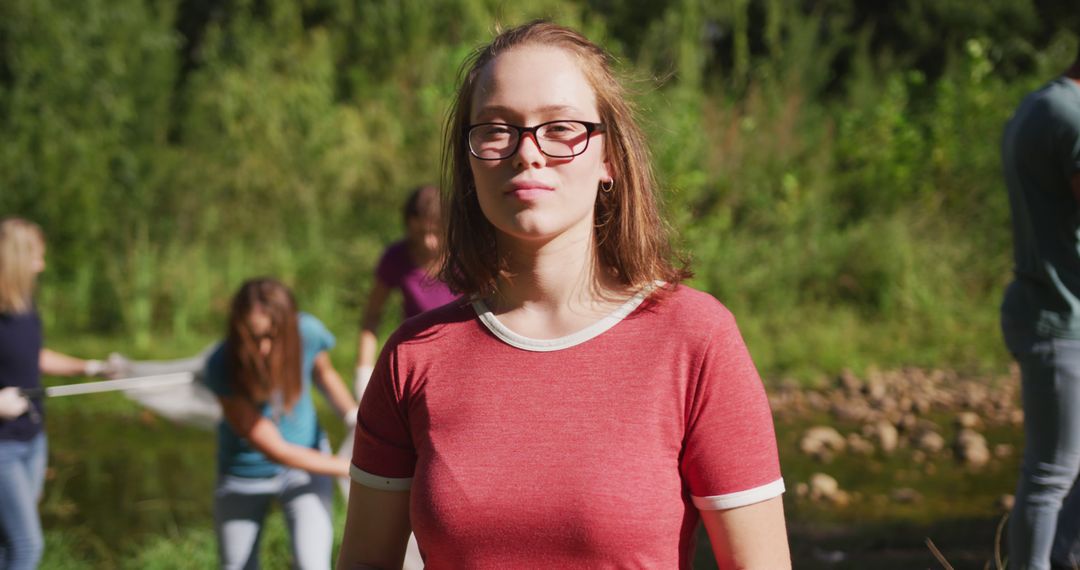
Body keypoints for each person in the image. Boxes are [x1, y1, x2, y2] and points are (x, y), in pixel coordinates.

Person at [338, 20, 789, 569]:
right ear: (469, 160)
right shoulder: (413, 356)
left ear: (609, 159)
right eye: (496, 128)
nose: (527, 152)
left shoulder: (696, 340)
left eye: (560, 128)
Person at [204, 278, 357, 570]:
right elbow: (277, 451)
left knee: (312, 564)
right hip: (242, 475)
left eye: (271, 337)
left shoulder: (307, 333)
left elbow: (323, 374)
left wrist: (352, 416)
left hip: (306, 469)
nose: (262, 349)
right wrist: (355, 469)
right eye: (253, 337)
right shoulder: (220, 365)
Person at [0, 217, 118, 570]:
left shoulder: (25, 308)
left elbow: (33, 357)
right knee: (27, 545)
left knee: (8, 541)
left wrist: (88, 367)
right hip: (2, 447)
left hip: (32, 440)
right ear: (17, 258)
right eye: (38, 256)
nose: (43, 265)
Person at [1001, 47, 1080, 570]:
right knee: (1051, 473)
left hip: (1048, 309)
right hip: (1062, 320)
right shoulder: (1068, 117)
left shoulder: (1040, 105)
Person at [353, 185, 457, 399]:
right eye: (421, 233)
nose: (430, 242)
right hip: (417, 363)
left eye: (437, 233)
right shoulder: (397, 258)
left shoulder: (465, 256)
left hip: (462, 362)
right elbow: (372, 316)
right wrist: (364, 370)